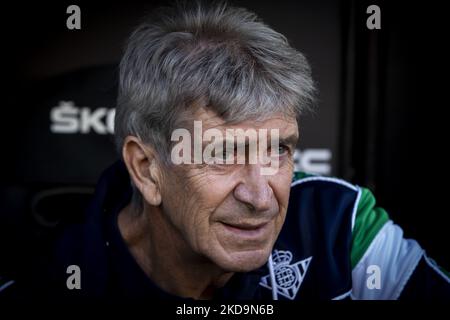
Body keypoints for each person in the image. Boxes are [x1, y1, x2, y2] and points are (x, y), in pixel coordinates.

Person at [2, 1, 449, 301]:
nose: (261, 197)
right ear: (147, 168)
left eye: (278, 150)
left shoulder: (340, 227)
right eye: (221, 154)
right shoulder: (53, 280)